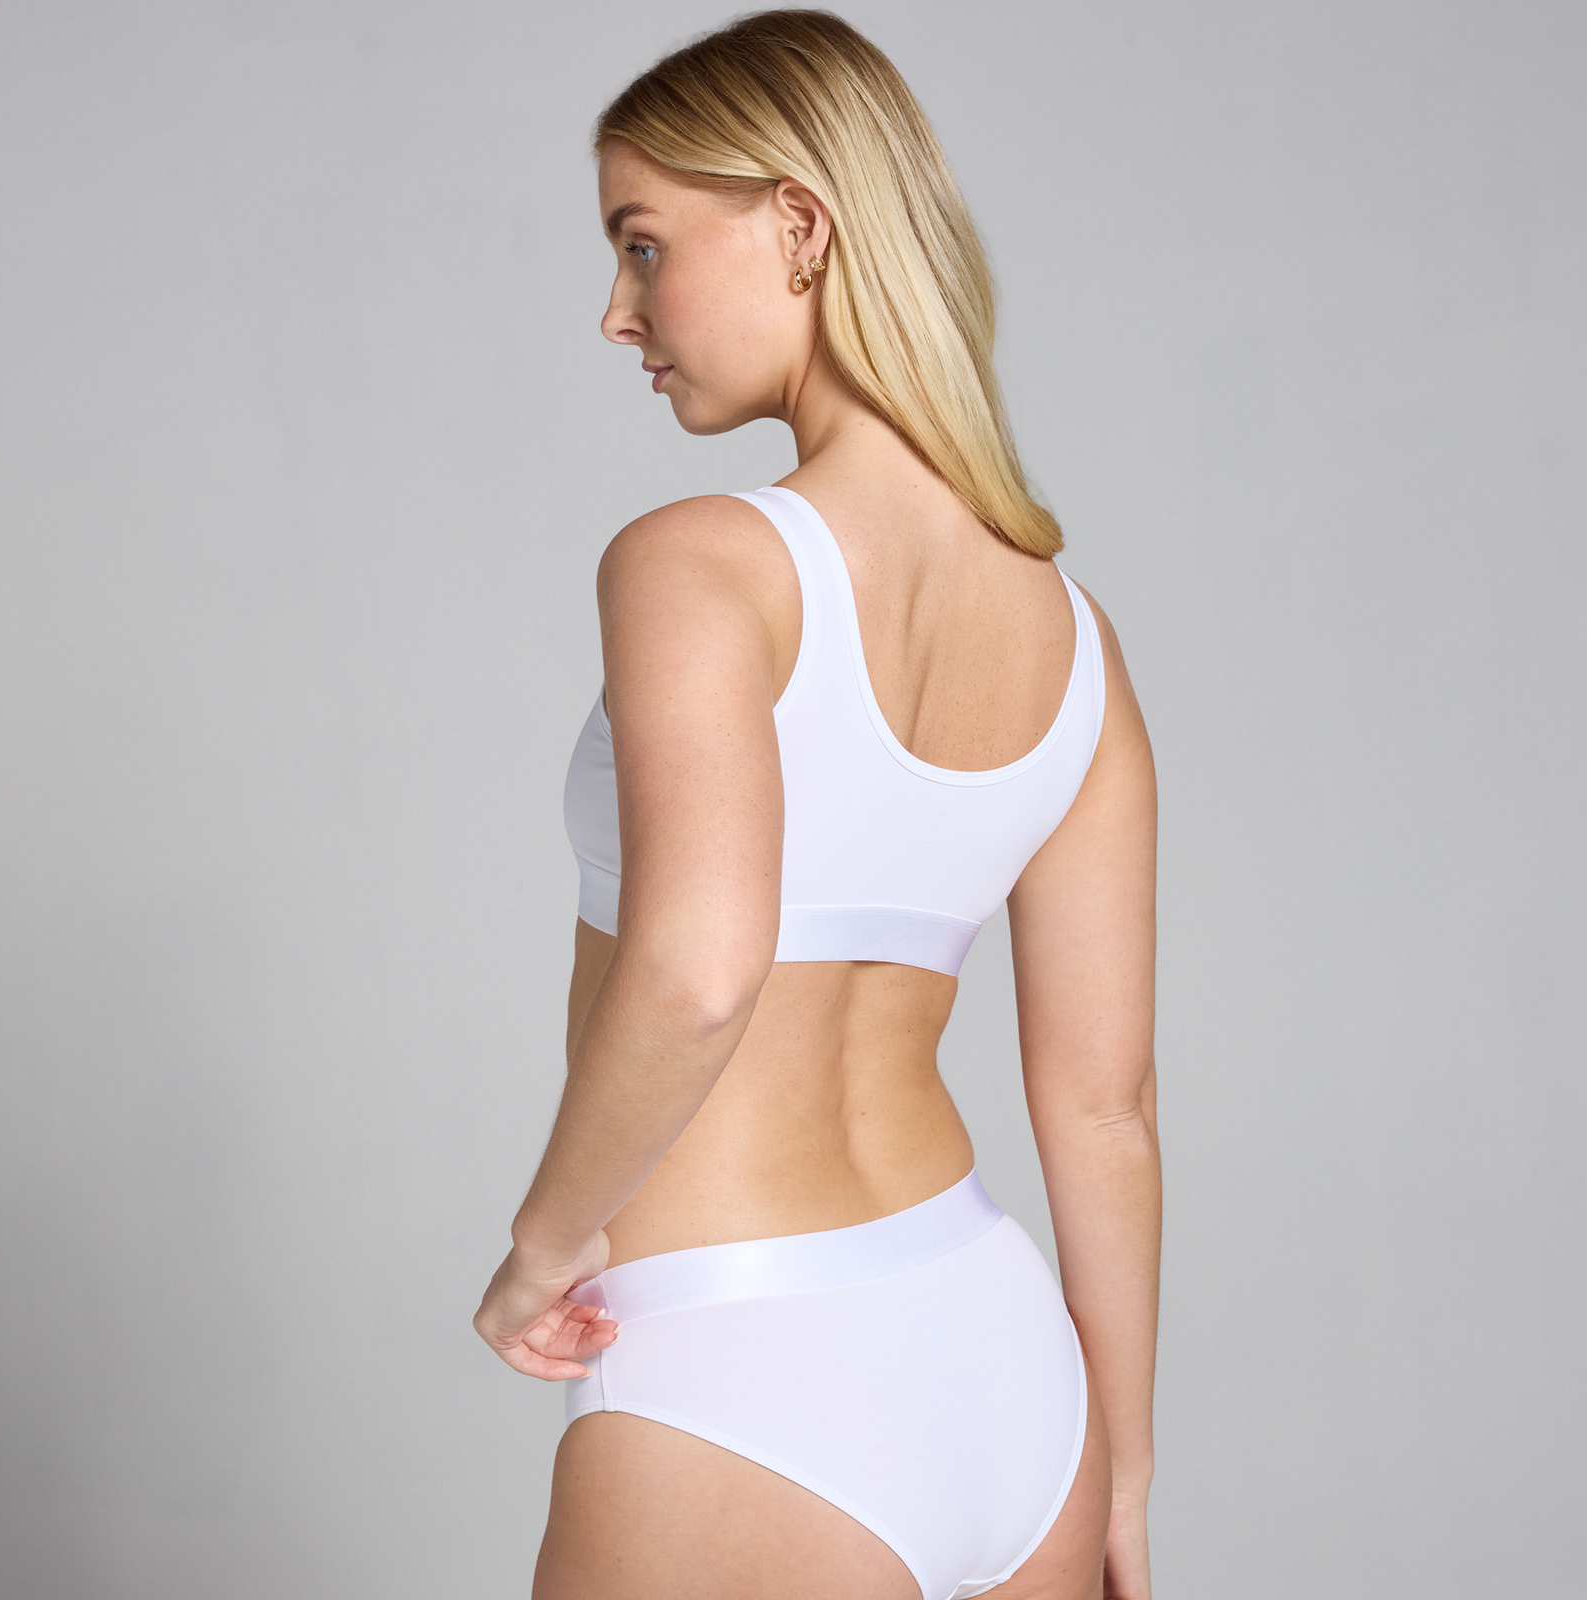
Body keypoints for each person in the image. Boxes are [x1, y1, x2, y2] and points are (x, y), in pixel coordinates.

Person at [473, 11, 1159, 1598]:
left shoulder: (701, 566)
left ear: (798, 223)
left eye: (643, 245)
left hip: (739, 1374)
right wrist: (1122, 1468)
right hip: (1011, 1372)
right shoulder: (1078, 643)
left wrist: (540, 1252)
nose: (617, 311)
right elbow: (1107, 1107)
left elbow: (701, 971)